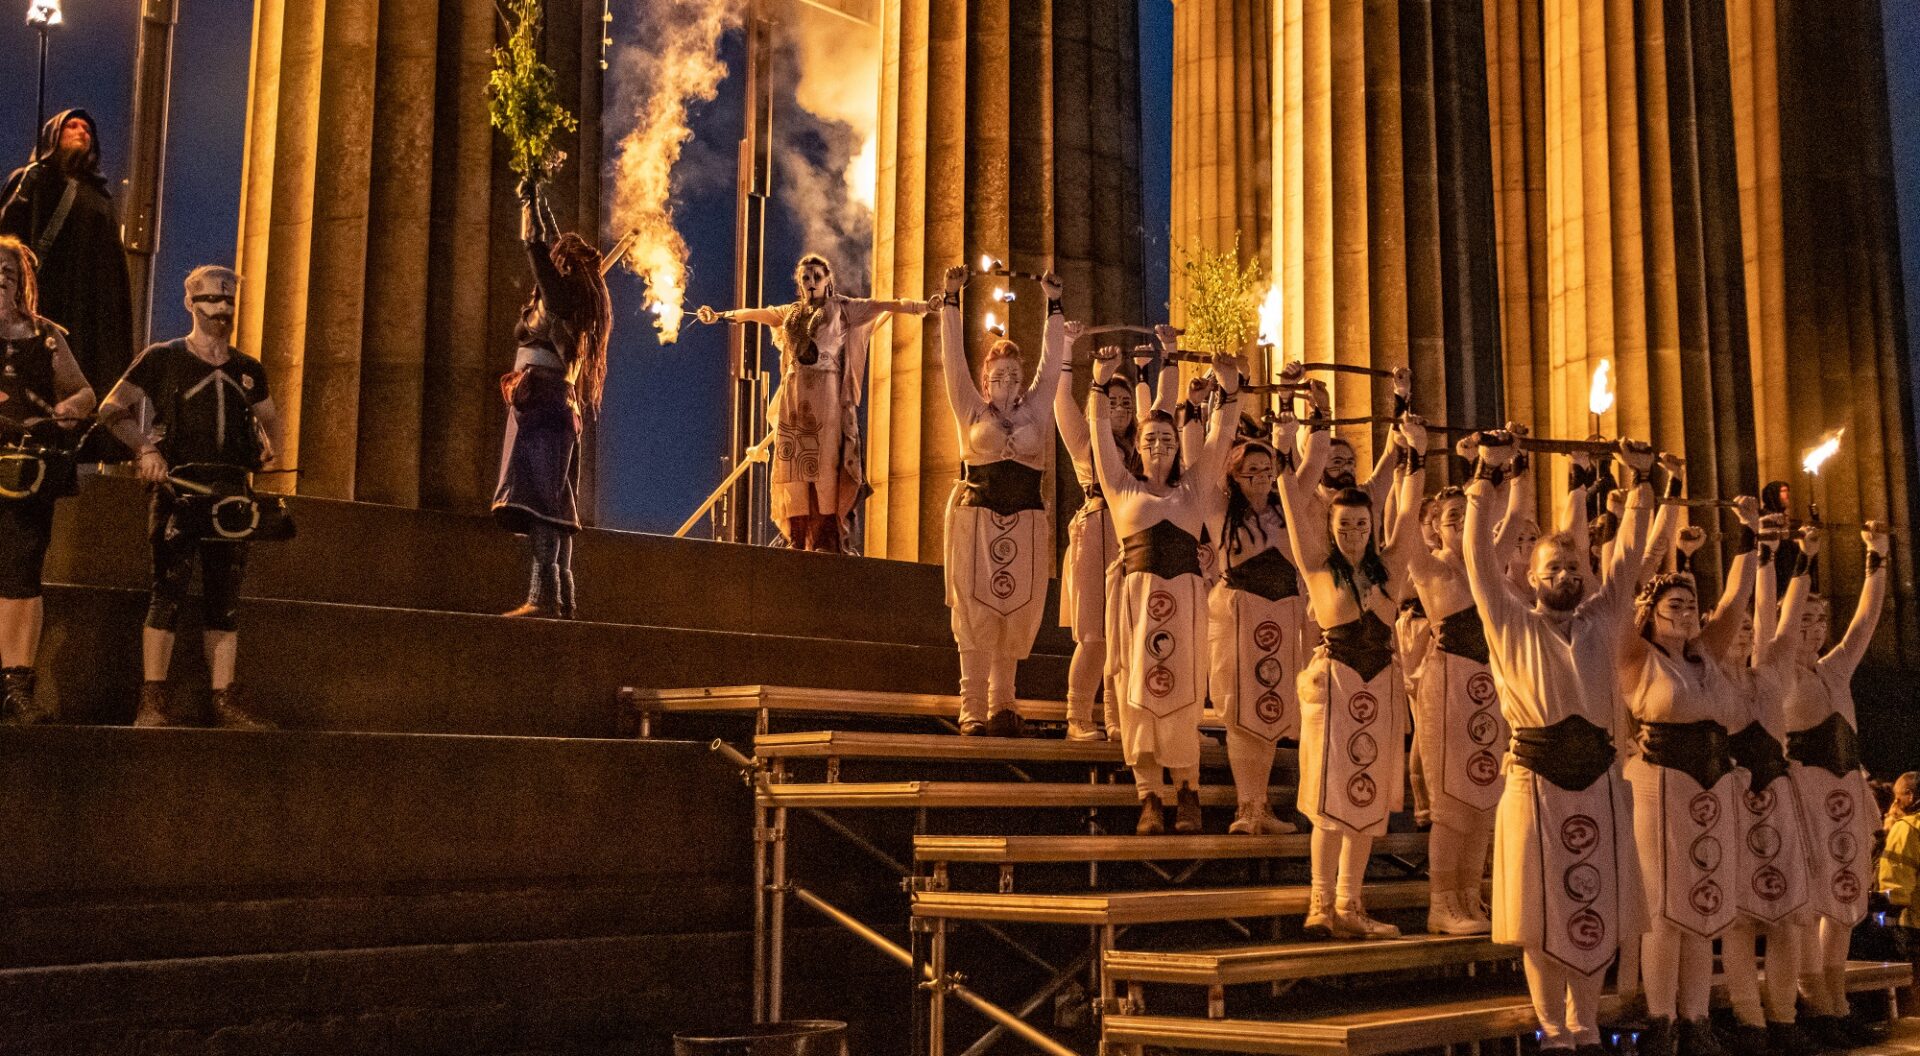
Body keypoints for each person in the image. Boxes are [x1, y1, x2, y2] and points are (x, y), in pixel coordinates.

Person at [1464, 432, 1658, 1056]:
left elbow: (1628, 555)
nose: (1567, 575)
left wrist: (1641, 485)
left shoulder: (1603, 617)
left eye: (1575, 567)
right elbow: (1474, 556)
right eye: (1555, 568)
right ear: (1531, 575)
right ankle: (1553, 1030)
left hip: (1601, 781)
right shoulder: (1508, 620)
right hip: (1535, 781)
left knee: (1596, 904)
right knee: (1540, 916)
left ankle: (1587, 1024)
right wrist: (1485, 477)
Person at [97, 266, 285, 729]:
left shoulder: (248, 369)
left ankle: (224, 699)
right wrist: (145, 448)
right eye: (211, 302)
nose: (221, 310)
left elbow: (270, 418)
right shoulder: (163, 357)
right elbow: (111, 409)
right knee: (169, 591)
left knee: (225, 599)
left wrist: (270, 444)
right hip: (180, 489)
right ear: (190, 303)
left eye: (228, 303)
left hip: (231, 494)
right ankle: (152, 700)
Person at [1619, 496, 1760, 1056]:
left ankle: (1696, 1020)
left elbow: (1733, 602)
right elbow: (1627, 578)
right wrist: (1654, 510)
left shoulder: (1706, 655)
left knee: (1705, 905)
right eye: (1672, 604)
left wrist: (1751, 540)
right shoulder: (1636, 656)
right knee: (1663, 907)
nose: (1684, 611)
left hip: (1713, 786)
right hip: (1658, 783)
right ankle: (1661, 1023)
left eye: (1689, 603)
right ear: (1651, 612)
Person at [1278, 409, 1428, 938]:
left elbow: (1407, 513)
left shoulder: (1390, 564)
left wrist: (1415, 454)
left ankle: (1351, 903)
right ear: (1333, 527)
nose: (1354, 533)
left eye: (1362, 524)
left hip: (1380, 684)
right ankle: (1320, 904)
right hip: (1336, 680)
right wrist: (1288, 448)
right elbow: (1295, 509)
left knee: (1365, 797)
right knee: (1328, 797)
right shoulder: (1318, 564)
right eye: (1344, 525)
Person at [1092, 347, 1243, 833]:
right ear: (1139, 444)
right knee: (1136, 695)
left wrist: (1230, 389)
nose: (1159, 445)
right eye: (1151, 438)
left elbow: (1220, 440)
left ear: (1178, 445)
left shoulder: (1192, 491)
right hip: (1136, 602)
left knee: (1182, 696)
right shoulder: (1121, 488)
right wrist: (1097, 385)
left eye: (1167, 439)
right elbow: (1097, 438)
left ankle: (1188, 791)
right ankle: (1149, 798)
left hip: (1184, 603)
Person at [697, 256, 930, 551]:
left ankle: (825, 537)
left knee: (825, 463)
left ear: (827, 279)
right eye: (806, 278)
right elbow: (759, 314)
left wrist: (920, 306)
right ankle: (796, 536)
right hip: (795, 390)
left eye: (816, 277)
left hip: (826, 388)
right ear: (799, 282)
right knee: (791, 464)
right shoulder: (791, 312)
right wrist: (720, 315)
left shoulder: (843, 309)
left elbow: (883, 304)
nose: (811, 283)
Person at [934, 265, 1065, 737]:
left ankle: (1004, 703)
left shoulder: (1036, 407)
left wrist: (1053, 306)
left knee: (1016, 610)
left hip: (1026, 517)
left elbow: (1053, 365)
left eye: (1014, 372)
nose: (1007, 378)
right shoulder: (971, 408)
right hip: (977, 516)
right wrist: (951, 300)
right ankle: (971, 706)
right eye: (998, 373)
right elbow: (952, 361)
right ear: (986, 382)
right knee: (973, 612)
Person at [1780, 519, 1891, 1048]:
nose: (1815, 628)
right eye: (1804, 619)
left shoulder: (1835, 669)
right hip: (1803, 795)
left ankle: (1837, 998)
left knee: (1845, 903)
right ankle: (1813, 1001)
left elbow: (1865, 623)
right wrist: (1803, 557)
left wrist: (1877, 558)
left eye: (1821, 619)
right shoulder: (1774, 671)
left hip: (1845, 796)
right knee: (1809, 904)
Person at [1719, 520, 1822, 1056]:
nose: (1741, 634)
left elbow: (1772, 617)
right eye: (1729, 628)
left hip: (1777, 803)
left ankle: (1783, 1016)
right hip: (1731, 802)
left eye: (1745, 630)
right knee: (1738, 920)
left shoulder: (1771, 674)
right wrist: (1760, 551)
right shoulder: (1709, 679)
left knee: (1787, 917)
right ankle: (1749, 1019)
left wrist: (1795, 559)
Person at [492, 180, 612, 618]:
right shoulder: (574, 297)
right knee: (556, 505)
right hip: (554, 404)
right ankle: (563, 600)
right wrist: (539, 199)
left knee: (544, 503)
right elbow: (547, 245)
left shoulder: (560, 296)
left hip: (543, 403)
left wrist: (529, 207)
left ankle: (543, 599)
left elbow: (537, 249)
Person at [1405, 484, 1509, 935]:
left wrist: (1503, 469)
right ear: (1435, 528)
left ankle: (1471, 896)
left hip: (1489, 685)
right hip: (1447, 682)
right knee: (1452, 803)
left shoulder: (1488, 564)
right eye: (1452, 519)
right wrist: (1410, 462)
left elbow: (1517, 507)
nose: (1464, 526)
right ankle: (1442, 903)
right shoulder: (1431, 568)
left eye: (1469, 517)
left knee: (1485, 799)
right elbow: (1402, 524)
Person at [0, 235, 94, 723]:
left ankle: (15, 686)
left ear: (23, 282)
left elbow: (82, 392)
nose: (0, 277)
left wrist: (70, 408)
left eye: (9, 272)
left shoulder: (46, 335)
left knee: (21, 574)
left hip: (25, 469)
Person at [1208, 426, 1310, 836]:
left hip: (1280, 613)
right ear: (1234, 475)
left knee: (1270, 707)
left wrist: (1293, 424)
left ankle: (1262, 804)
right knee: (1240, 713)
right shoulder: (1220, 511)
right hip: (1238, 613)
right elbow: (1206, 457)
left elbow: (1313, 464)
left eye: (1267, 470)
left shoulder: (1286, 509)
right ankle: (1246, 805)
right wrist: (1219, 406)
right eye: (1251, 471)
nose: (1261, 478)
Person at [0, 109, 134, 395]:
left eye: (87, 129)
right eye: (71, 126)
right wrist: (24, 191)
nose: (81, 132)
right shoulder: (30, 179)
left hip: (87, 309)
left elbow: (113, 271)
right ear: (53, 135)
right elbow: (6, 236)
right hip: (41, 294)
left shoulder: (100, 199)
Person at [1054, 339, 1134, 740]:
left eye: (1127, 403)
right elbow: (1059, 398)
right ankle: (1077, 716)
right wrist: (1066, 348)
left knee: (1123, 634)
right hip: (1094, 529)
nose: (1120, 408)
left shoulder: (1139, 446)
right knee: (1094, 634)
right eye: (1112, 401)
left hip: (1126, 536)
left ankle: (1117, 718)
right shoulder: (1086, 440)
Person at [1880, 772, 1920, 1017]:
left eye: (1897, 798)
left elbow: (1895, 888)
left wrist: (1885, 834)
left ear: (1910, 796)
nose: (1892, 805)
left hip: (1914, 924)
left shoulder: (1906, 829)